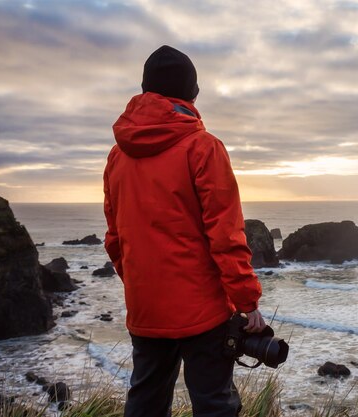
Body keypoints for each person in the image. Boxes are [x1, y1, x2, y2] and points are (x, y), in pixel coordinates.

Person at [103, 45, 265, 417]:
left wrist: (141, 283)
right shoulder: (202, 147)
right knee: (213, 404)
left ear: (146, 90)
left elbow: (115, 239)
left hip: (145, 306)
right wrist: (248, 302)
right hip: (202, 310)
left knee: (145, 400)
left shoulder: (117, 155)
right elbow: (225, 236)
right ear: (192, 93)